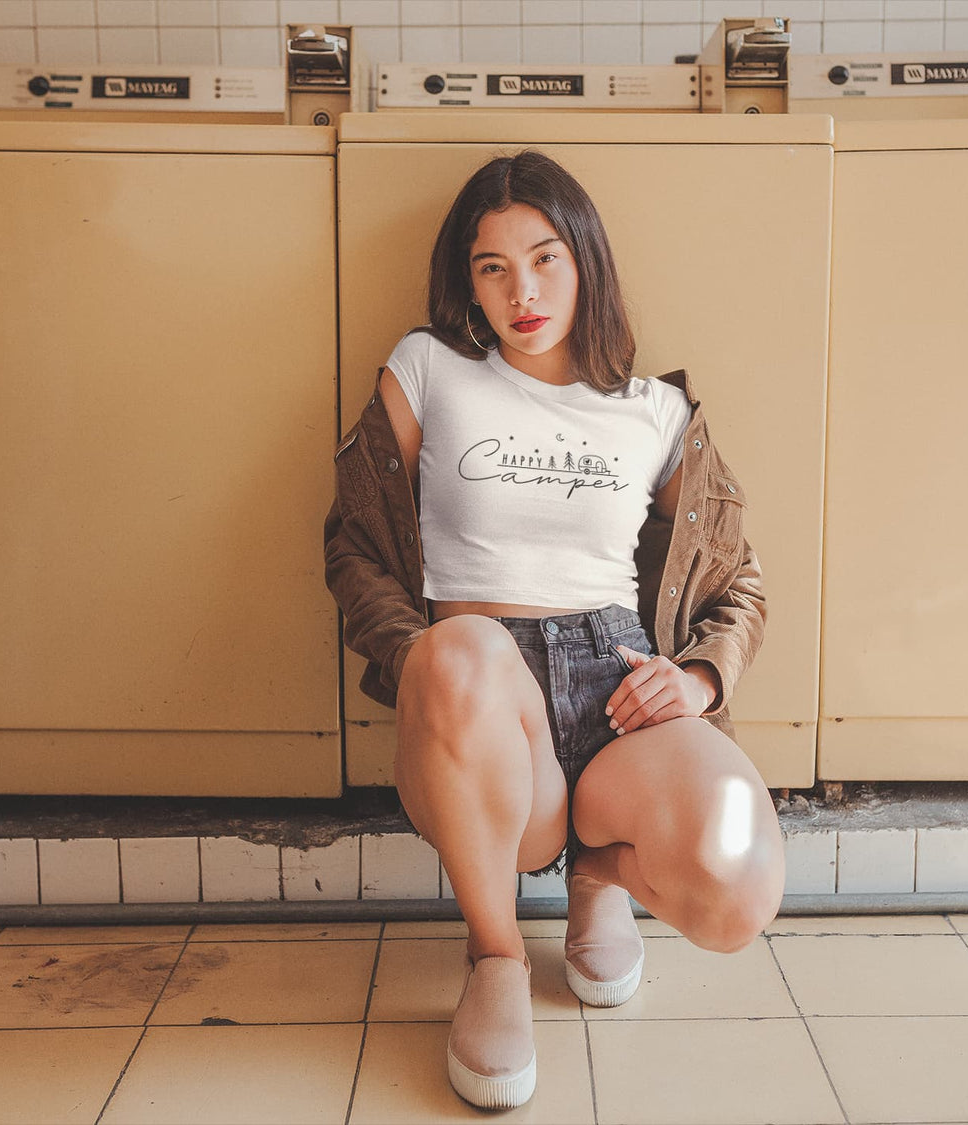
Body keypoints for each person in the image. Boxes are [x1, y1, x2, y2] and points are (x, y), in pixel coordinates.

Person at [323, 150, 785, 1109]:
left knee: (739, 892)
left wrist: (697, 679)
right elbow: (353, 547)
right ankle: (494, 953)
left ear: (587, 261)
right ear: (468, 280)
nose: (521, 292)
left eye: (544, 259)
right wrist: (424, 665)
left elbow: (738, 579)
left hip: (615, 680)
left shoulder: (656, 411)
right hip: (482, 689)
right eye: (492, 267)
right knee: (462, 651)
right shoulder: (428, 368)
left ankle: (595, 878)